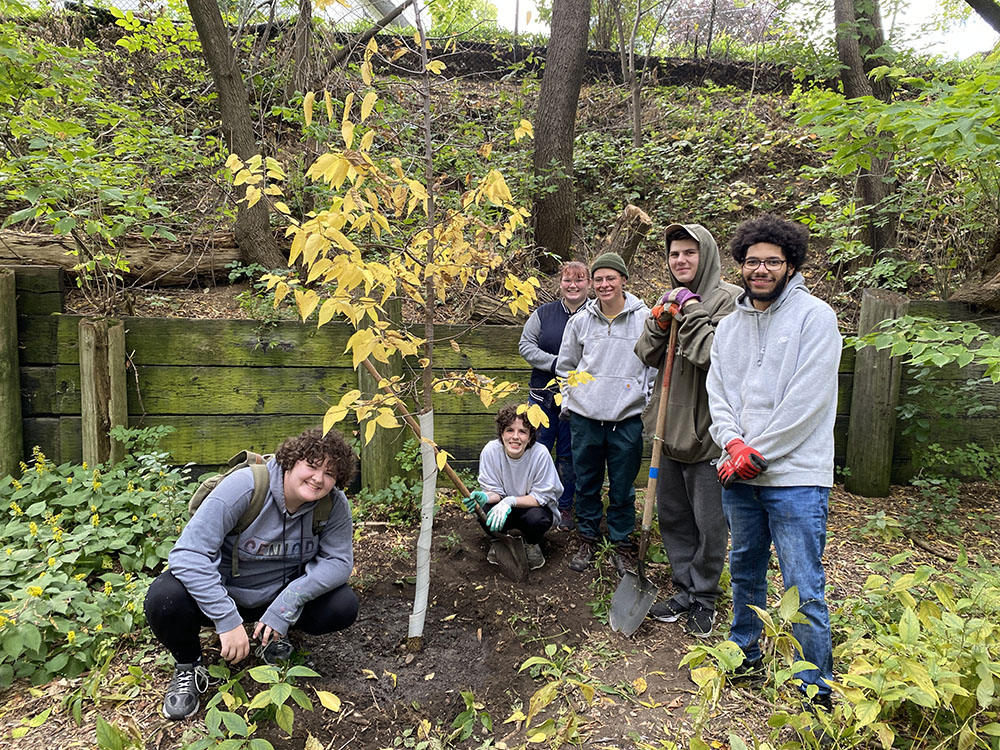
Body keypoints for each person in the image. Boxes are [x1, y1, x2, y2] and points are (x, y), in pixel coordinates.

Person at [706, 214, 841, 710]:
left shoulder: (816, 317)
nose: (760, 270)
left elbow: (808, 400)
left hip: (795, 478)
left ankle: (815, 687)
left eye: (771, 262)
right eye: (751, 262)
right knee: (744, 569)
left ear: (790, 265)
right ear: (740, 265)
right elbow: (716, 392)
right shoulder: (728, 327)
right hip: (737, 473)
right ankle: (745, 653)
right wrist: (732, 442)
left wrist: (757, 452)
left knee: (803, 582)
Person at [144, 427, 359, 721]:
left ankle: (272, 637)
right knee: (164, 598)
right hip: (225, 592)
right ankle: (189, 665)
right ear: (290, 461)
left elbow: (338, 561)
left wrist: (287, 605)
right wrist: (225, 617)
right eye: (311, 465)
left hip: (277, 598)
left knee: (343, 604)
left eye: (330, 473)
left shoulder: (332, 505)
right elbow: (188, 555)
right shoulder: (245, 487)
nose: (318, 478)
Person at [634, 223, 739, 638]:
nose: (681, 261)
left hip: (709, 432)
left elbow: (714, 357)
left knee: (710, 522)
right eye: (675, 254)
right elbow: (644, 354)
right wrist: (659, 322)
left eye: (689, 253)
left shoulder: (730, 302)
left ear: (707, 255)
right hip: (668, 430)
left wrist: (692, 310)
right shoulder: (668, 300)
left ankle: (706, 596)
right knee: (674, 516)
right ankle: (683, 589)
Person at [556, 251, 653, 576]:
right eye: (598, 279)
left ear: (624, 280)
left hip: (626, 419)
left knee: (624, 487)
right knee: (586, 483)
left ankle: (623, 544)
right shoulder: (580, 321)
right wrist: (570, 402)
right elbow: (566, 366)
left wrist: (645, 397)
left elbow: (654, 365)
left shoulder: (645, 319)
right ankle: (587, 538)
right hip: (585, 418)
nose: (604, 284)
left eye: (610, 278)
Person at [518, 261, 592, 531]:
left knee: (568, 455)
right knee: (534, 450)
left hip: (579, 398)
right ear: (560, 283)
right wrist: (556, 363)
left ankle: (564, 505)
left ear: (589, 283)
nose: (573, 285)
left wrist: (577, 370)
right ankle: (531, 502)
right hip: (541, 399)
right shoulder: (543, 314)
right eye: (568, 280)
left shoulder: (595, 315)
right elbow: (525, 345)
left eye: (579, 280)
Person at [462, 404, 563, 570]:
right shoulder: (491, 451)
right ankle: (499, 541)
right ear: (502, 433)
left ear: (530, 437)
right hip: (502, 507)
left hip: (531, 508)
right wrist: (486, 497)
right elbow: (495, 492)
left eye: (522, 432)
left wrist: (510, 501)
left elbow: (541, 497)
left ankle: (532, 544)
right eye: (509, 430)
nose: (515, 437)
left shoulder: (540, 454)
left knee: (537, 519)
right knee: (483, 509)